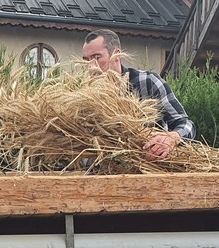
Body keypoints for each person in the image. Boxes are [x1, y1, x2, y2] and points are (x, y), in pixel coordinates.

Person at [81, 28, 195, 161]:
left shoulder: (148, 82)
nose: (90, 67)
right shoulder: (85, 97)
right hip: (105, 176)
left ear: (117, 55)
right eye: (85, 60)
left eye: (96, 57)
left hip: (151, 172)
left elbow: (187, 125)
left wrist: (172, 138)